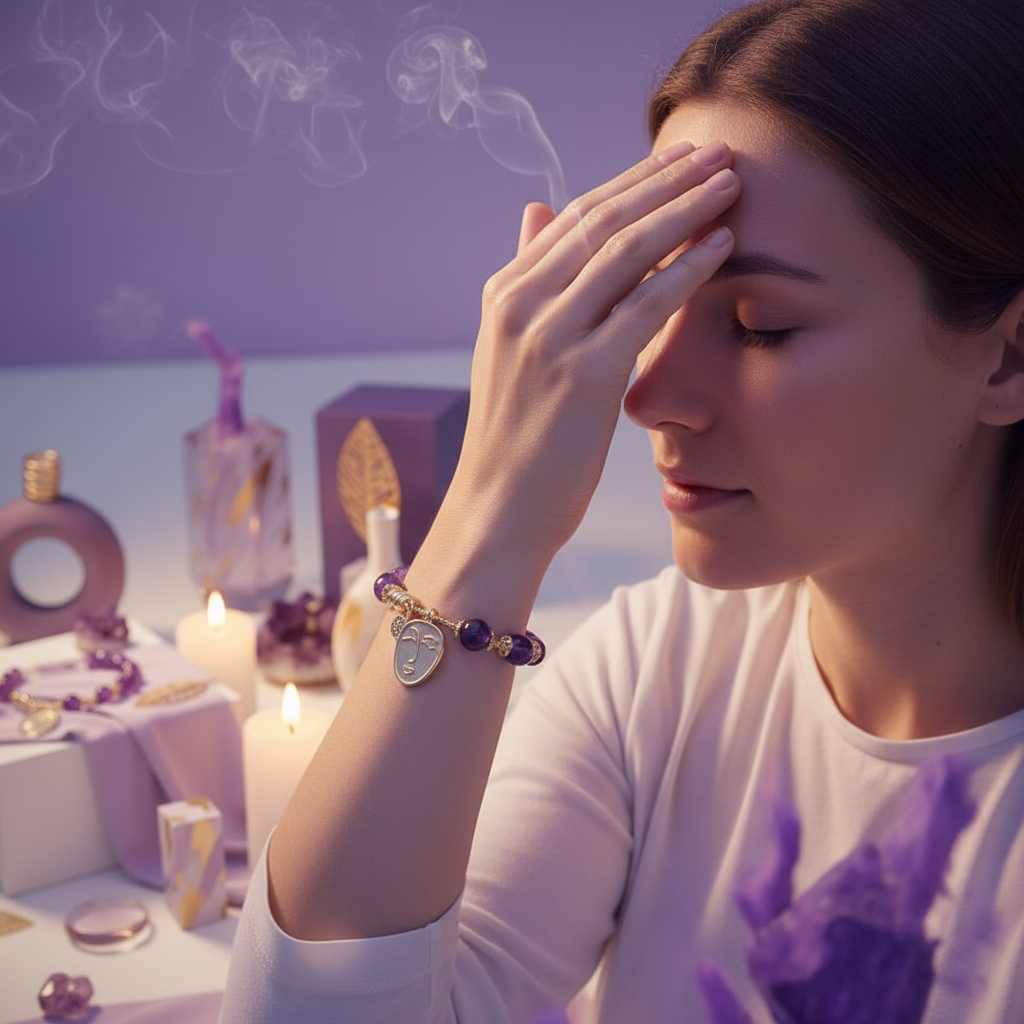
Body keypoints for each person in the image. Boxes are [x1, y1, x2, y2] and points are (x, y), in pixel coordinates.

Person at [219, 0, 1024, 1020]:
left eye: (758, 324)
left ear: (1006, 355)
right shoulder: (659, 666)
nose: (645, 392)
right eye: (650, 295)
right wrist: (490, 509)